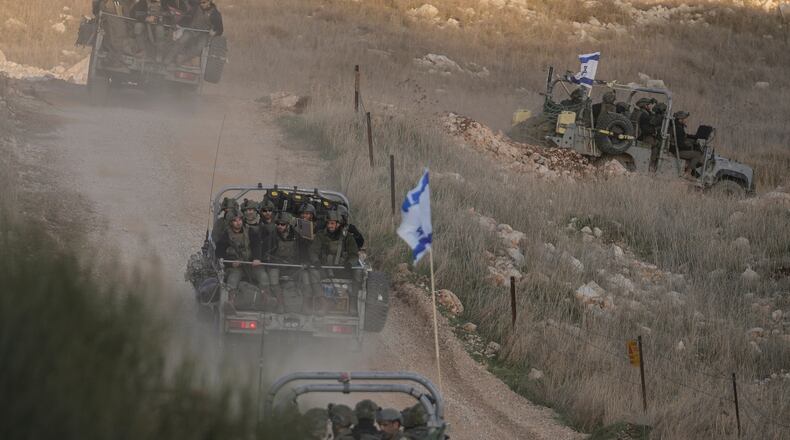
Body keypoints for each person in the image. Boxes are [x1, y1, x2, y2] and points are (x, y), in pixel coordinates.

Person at [264, 212, 322, 314]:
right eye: (277, 224)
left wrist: (305, 262)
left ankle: (305, 306)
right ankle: (280, 304)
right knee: (273, 279)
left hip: (294, 266)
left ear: (288, 225)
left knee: (306, 279)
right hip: (278, 266)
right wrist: (273, 261)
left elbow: (304, 250)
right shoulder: (272, 236)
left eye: (282, 224)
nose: (279, 226)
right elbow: (266, 253)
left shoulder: (297, 236)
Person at [214, 208, 267, 293]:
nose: (238, 223)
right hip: (235, 266)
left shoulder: (250, 231)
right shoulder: (226, 235)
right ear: (230, 223)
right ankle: (231, 300)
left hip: (250, 263)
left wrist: (257, 258)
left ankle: (266, 297)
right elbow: (219, 252)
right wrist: (231, 262)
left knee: (263, 275)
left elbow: (256, 245)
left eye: (239, 220)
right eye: (235, 221)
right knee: (233, 277)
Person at [317, 211, 360, 312]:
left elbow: (354, 254)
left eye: (332, 223)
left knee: (359, 273)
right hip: (325, 268)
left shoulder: (347, 236)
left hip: (343, 268)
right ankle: (320, 303)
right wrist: (315, 261)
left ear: (338, 224)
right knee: (310, 274)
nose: (329, 226)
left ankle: (353, 303)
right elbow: (314, 250)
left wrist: (350, 263)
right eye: (328, 223)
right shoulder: (321, 235)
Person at [164, 0, 223, 64]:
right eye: (200, 2)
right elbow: (187, 17)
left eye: (204, 2)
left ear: (209, 2)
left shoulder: (215, 14)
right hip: (192, 29)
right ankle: (167, 59)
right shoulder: (196, 7)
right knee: (181, 41)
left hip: (204, 34)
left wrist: (214, 32)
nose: (201, 4)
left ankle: (182, 58)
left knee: (199, 48)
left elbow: (220, 30)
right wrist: (179, 25)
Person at [671, 111, 705, 176]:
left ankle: (690, 169)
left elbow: (684, 136)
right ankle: (688, 173)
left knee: (692, 145)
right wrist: (688, 147)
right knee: (697, 155)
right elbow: (680, 144)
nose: (686, 120)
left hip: (676, 149)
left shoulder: (677, 126)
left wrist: (694, 137)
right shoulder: (678, 129)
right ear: (680, 119)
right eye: (685, 119)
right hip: (677, 151)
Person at [647, 102, 668, 171]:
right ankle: (652, 163)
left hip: (654, 135)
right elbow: (652, 124)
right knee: (657, 146)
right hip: (651, 136)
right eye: (664, 110)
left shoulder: (655, 116)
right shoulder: (658, 117)